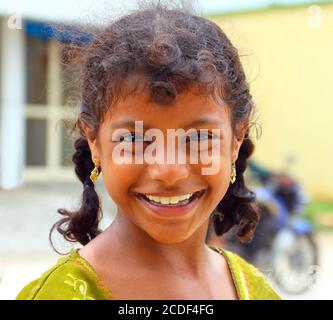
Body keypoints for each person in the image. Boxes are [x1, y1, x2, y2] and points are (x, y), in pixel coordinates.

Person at [16, 2, 281, 300]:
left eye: (200, 137)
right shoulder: (59, 295)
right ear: (94, 142)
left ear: (236, 138)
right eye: (135, 139)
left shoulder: (256, 291)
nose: (168, 170)